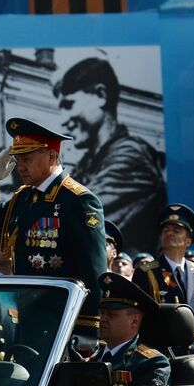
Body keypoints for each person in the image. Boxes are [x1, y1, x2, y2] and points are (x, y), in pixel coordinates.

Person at [0, 118, 107, 350]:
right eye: (18, 159)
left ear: (52, 157)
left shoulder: (78, 200)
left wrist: (87, 329)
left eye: (27, 159)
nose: (20, 166)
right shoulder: (24, 197)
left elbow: (92, 270)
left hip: (63, 322)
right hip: (27, 317)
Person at [55, 57, 166, 255]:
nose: (63, 120)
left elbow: (77, 215)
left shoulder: (130, 157)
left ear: (101, 95)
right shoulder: (90, 162)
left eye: (69, 104)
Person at [133, 204, 194, 352]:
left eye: (177, 230)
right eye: (165, 230)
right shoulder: (146, 272)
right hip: (161, 353)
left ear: (188, 241)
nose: (170, 233)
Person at [93, 272, 170, 386]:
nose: (103, 318)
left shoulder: (151, 363)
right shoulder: (94, 358)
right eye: (102, 313)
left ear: (134, 321)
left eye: (111, 314)